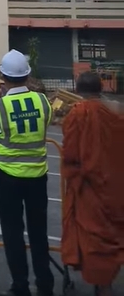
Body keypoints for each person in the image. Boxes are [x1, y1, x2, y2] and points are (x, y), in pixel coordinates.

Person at [0, 49, 54, 296]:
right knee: (38, 232)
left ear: (3, 77)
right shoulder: (43, 102)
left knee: (13, 233)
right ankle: (45, 284)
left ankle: (20, 286)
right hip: (37, 176)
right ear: (28, 76)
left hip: (9, 178)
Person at [61, 71, 124, 296]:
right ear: (101, 89)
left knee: (95, 239)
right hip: (115, 187)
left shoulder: (78, 114)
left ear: (77, 90)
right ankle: (104, 284)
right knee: (111, 236)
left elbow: (70, 154)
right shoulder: (115, 112)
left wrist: (74, 175)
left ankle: (103, 285)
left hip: (89, 188)